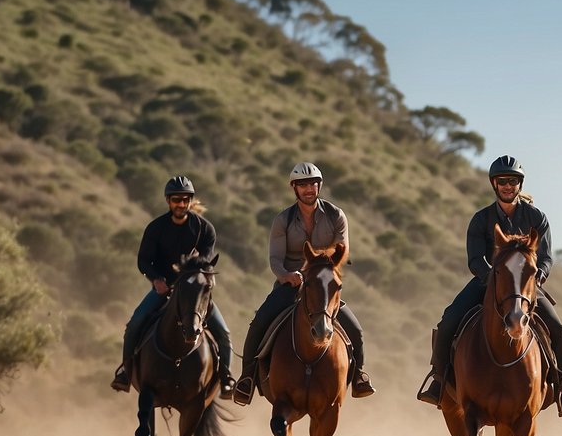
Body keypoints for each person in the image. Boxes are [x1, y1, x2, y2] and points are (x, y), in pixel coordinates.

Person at [417, 155, 562, 417]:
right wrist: (493, 280)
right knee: (448, 321)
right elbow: (474, 259)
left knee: (558, 328)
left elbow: (547, 257)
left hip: (526, 286)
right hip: (488, 282)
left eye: (513, 181)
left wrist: (538, 276)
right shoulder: (480, 219)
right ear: (494, 184)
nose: (508, 186)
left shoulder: (537, 218)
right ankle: (438, 380)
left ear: (520, 185)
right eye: (503, 181)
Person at [232, 162, 375, 400]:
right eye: (303, 185)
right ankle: (246, 378)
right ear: (294, 188)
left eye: (313, 184)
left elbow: (342, 250)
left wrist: (318, 269)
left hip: (321, 284)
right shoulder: (283, 220)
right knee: (258, 323)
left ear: (319, 186)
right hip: (291, 284)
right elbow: (275, 259)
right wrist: (286, 275)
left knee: (356, 331)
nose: (309, 189)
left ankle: (359, 376)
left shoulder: (335, 215)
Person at [111, 175, 235, 395]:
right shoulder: (155, 228)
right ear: (168, 201)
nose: (181, 204)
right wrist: (156, 280)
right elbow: (143, 261)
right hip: (163, 289)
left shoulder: (205, 229)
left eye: (185, 200)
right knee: (135, 324)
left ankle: (226, 378)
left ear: (190, 201)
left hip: (193, 292)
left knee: (223, 333)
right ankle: (126, 372)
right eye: (176, 199)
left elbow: (204, 263)